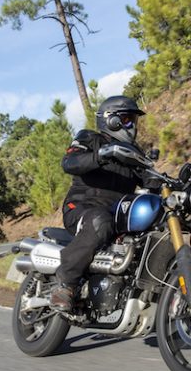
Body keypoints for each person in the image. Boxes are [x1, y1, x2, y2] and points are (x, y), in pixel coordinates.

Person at [50, 95, 153, 311]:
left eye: (133, 121)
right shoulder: (90, 139)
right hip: (81, 208)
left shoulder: (135, 154)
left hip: (117, 215)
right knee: (100, 221)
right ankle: (66, 284)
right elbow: (70, 162)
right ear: (111, 120)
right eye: (127, 120)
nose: (132, 126)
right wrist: (102, 154)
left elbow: (151, 181)